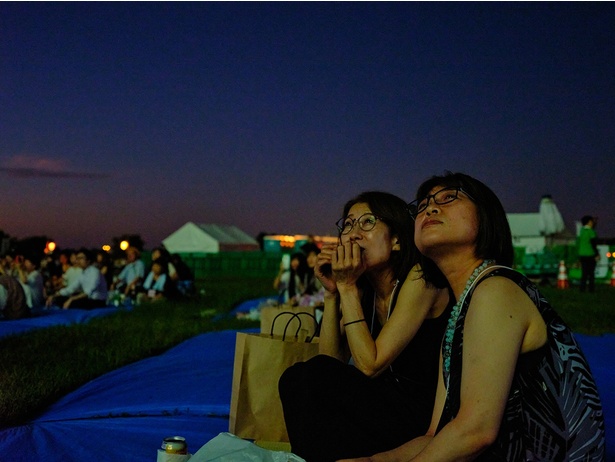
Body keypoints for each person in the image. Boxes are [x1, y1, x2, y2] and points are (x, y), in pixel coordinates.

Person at [342, 173, 605, 461]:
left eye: (448, 198)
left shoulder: (496, 289)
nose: (430, 208)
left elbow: (475, 432)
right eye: (424, 204)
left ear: (486, 217)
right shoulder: (459, 315)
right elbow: (436, 435)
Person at [278, 191, 451, 462]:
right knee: (296, 378)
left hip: (423, 416)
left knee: (311, 379)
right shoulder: (363, 287)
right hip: (383, 406)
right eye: (348, 224)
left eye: (367, 222)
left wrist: (347, 287)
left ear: (396, 240)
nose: (353, 234)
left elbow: (370, 365)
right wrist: (333, 293)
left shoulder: (419, 278)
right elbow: (330, 362)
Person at [578, 215, 599, 292]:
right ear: (589, 222)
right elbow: (593, 243)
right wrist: (597, 254)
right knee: (591, 273)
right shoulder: (591, 231)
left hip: (582, 254)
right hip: (590, 254)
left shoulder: (581, 231)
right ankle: (591, 289)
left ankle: (582, 289)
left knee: (584, 273)